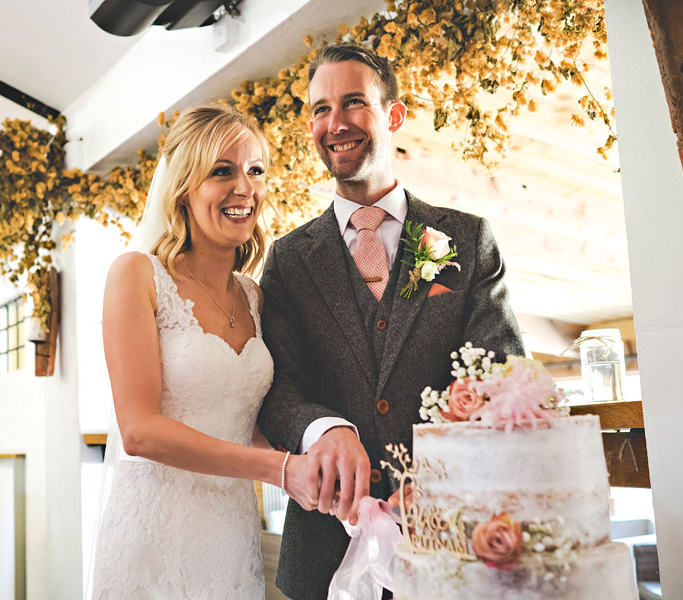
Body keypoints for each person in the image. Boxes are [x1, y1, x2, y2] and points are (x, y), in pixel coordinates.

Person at [256, 43, 526, 599]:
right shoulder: (287, 260)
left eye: (353, 102)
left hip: (451, 543)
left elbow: (503, 377)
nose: (335, 123)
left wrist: (442, 470)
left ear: (394, 115)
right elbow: (277, 388)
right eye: (319, 108)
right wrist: (323, 429)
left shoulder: (464, 241)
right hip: (324, 556)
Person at [91, 104, 318, 599]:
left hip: (230, 536)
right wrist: (278, 471)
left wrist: (320, 463)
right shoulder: (137, 276)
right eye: (222, 171)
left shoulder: (256, 298)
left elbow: (250, 425)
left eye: (255, 170)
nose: (245, 188)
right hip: (154, 539)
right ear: (183, 190)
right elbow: (139, 431)